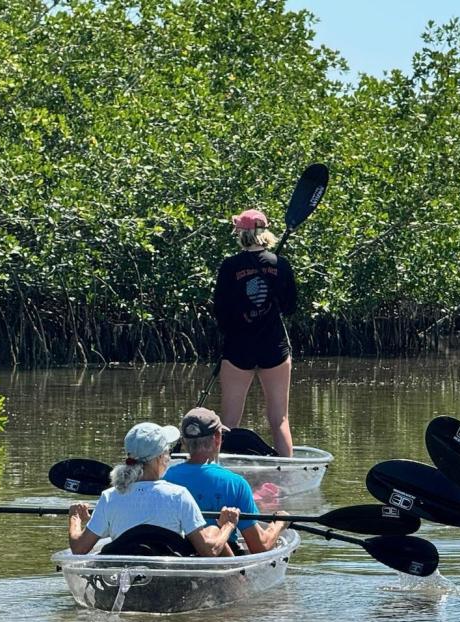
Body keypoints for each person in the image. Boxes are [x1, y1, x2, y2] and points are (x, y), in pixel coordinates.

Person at [67, 421, 240, 557]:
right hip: (170, 584)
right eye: (167, 452)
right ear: (159, 458)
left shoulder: (109, 497)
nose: (168, 456)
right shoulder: (179, 495)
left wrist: (75, 518)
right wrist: (228, 525)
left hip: (123, 579)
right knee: (213, 530)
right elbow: (209, 550)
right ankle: (239, 585)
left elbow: (79, 548)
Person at [213, 208, 297, 457]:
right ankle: (287, 475)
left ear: (241, 233)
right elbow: (290, 306)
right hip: (274, 348)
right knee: (279, 418)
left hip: (239, 348)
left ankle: (221, 471)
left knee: (228, 422)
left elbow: (220, 310)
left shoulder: (230, 266)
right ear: (265, 232)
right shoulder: (279, 264)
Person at [163, 406, 291, 554]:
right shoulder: (235, 483)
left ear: (184, 442)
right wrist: (279, 523)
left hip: (179, 553)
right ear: (217, 438)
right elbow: (259, 547)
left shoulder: (165, 479)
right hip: (224, 557)